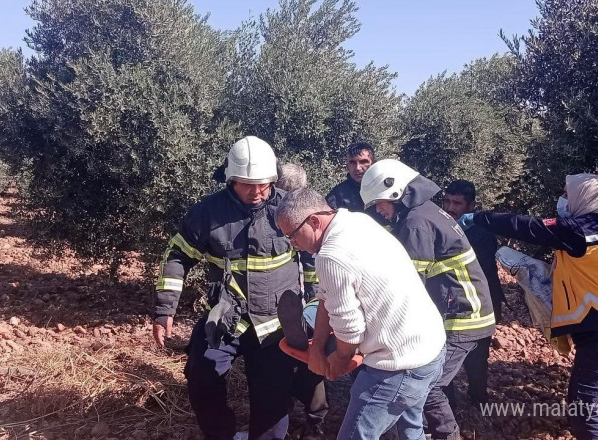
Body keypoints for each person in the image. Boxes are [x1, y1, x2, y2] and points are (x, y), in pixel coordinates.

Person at [459, 173, 598, 440]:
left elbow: (526, 226)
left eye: (567, 193)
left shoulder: (581, 228)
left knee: (587, 412)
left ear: (585, 197)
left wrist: (480, 217)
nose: (562, 199)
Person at [153, 136, 298, 440]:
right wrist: (165, 309)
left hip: (274, 323)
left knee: (273, 396)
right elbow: (178, 256)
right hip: (225, 318)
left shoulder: (289, 208)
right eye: (248, 184)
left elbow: (313, 259)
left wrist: (313, 309)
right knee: (201, 377)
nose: (257, 192)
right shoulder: (207, 212)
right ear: (231, 178)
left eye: (264, 184)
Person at [276, 189, 446, 440]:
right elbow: (326, 297)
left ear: (313, 221)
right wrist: (318, 347)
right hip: (430, 349)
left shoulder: (331, 256)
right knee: (410, 431)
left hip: (399, 365)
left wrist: (339, 360)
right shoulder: (356, 222)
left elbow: (349, 328)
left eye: (292, 235)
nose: (293, 244)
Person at [360, 160, 496, 440]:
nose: (378, 210)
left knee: (430, 385)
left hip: (463, 316)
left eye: (379, 203)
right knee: (432, 380)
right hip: (460, 311)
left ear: (395, 193)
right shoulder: (423, 212)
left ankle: (449, 435)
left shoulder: (416, 223)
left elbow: (409, 284)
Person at [274, 162, 328, 440]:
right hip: (298, 297)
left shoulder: (295, 215)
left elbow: (310, 257)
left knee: (292, 354)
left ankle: (289, 409)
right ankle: (314, 420)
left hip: (289, 298)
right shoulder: (308, 210)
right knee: (309, 356)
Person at [443, 179, 504, 405]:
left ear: (471, 206)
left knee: (477, 357)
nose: (450, 208)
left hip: (481, 303)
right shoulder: (443, 226)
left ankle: (479, 400)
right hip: (454, 303)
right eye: (447, 201)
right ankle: (447, 402)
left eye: (457, 203)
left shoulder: (482, 235)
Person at [325, 142, 375, 211]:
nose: (358, 168)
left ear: (373, 164)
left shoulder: (384, 187)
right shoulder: (337, 196)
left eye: (363, 162)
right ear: (347, 166)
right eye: (352, 163)